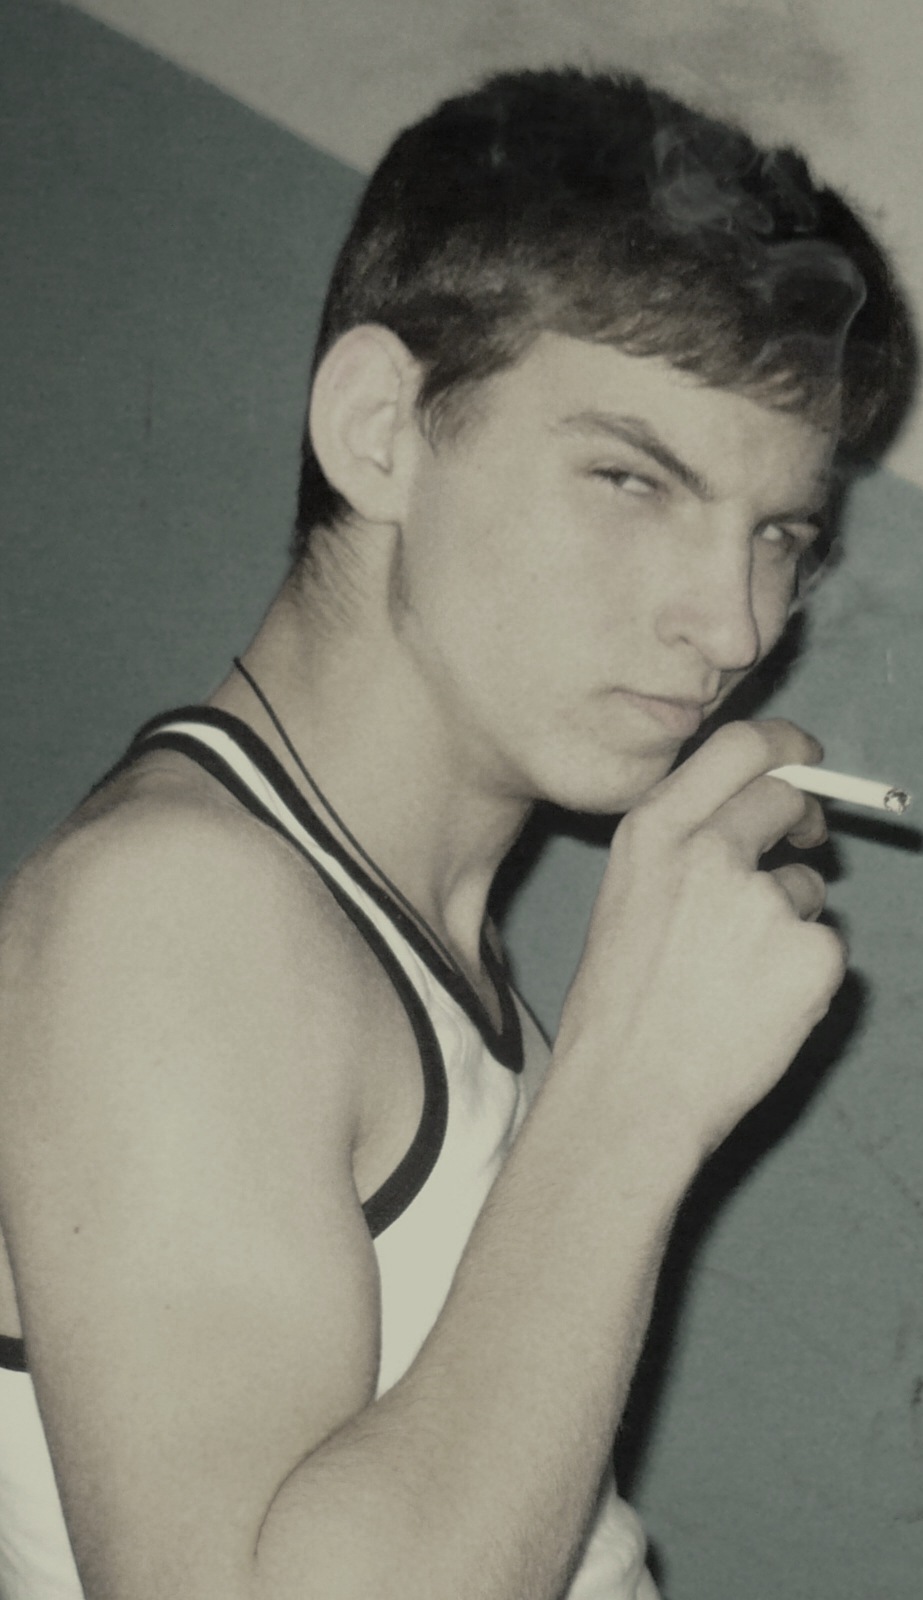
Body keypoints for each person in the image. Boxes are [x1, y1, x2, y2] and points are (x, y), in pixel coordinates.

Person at [0, 65, 913, 1600]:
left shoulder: (411, 945)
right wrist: (633, 1097)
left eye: (778, 535)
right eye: (631, 480)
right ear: (380, 430)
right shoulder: (176, 912)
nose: (737, 623)